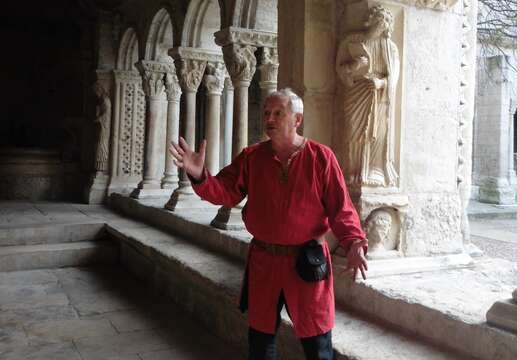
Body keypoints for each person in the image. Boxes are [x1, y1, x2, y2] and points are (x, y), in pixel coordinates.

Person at [169, 88, 368, 360]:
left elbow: (341, 208)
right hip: (264, 262)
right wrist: (200, 176)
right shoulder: (252, 157)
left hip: (307, 263)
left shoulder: (321, 157)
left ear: (297, 119)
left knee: (318, 345)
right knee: (261, 344)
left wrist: (355, 242)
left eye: (278, 113)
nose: (269, 119)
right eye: (266, 113)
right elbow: (224, 191)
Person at [336, 5, 399, 188]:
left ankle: (375, 170)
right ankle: (352, 170)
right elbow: (340, 68)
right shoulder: (353, 40)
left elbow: (394, 76)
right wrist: (355, 66)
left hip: (378, 95)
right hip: (355, 92)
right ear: (371, 19)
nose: (383, 23)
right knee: (353, 130)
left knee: (377, 132)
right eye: (380, 18)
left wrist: (382, 83)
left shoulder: (391, 48)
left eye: (387, 20)